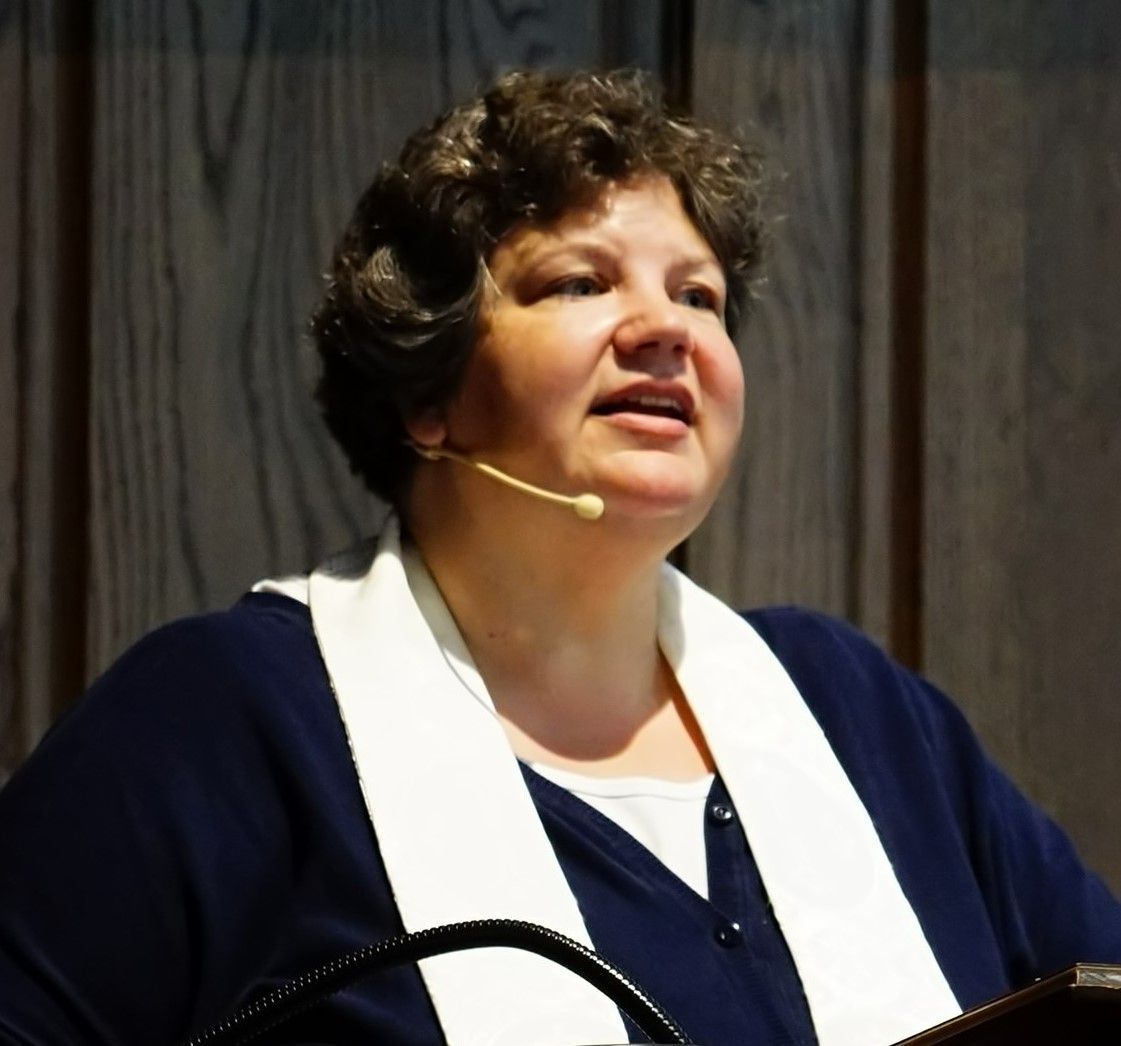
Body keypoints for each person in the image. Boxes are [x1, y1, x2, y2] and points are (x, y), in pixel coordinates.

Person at [1, 68, 1120, 1046]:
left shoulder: (858, 714)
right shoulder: (222, 724)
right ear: (428, 391)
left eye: (699, 295)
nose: (664, 327)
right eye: (581, 282)